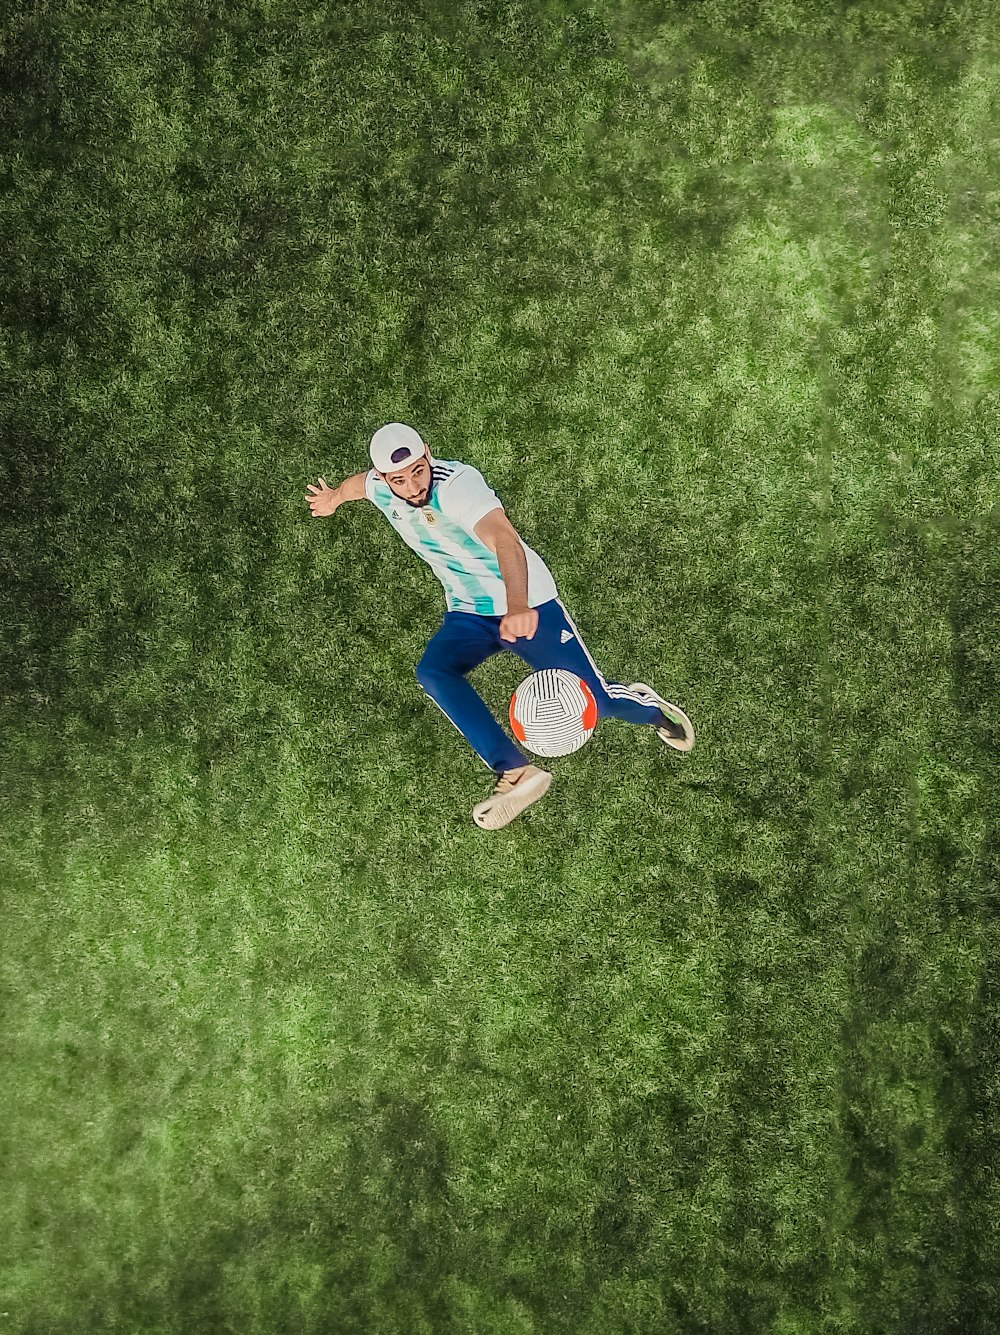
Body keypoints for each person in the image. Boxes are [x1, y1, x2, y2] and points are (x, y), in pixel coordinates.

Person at [305, 422, 695, 830]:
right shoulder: (380, 486)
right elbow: (357, 486)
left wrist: (518, 605)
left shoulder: (457, 485)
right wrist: (333, 498)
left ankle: (655, 712)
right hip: (469, 610)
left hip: (527, 602)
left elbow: (505, 541)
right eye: (399, 479)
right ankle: (516, 771)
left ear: (428, 453)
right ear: (384, 478)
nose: (413, 485)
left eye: (419, 470)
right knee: (434, 672)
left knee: (597, 702)